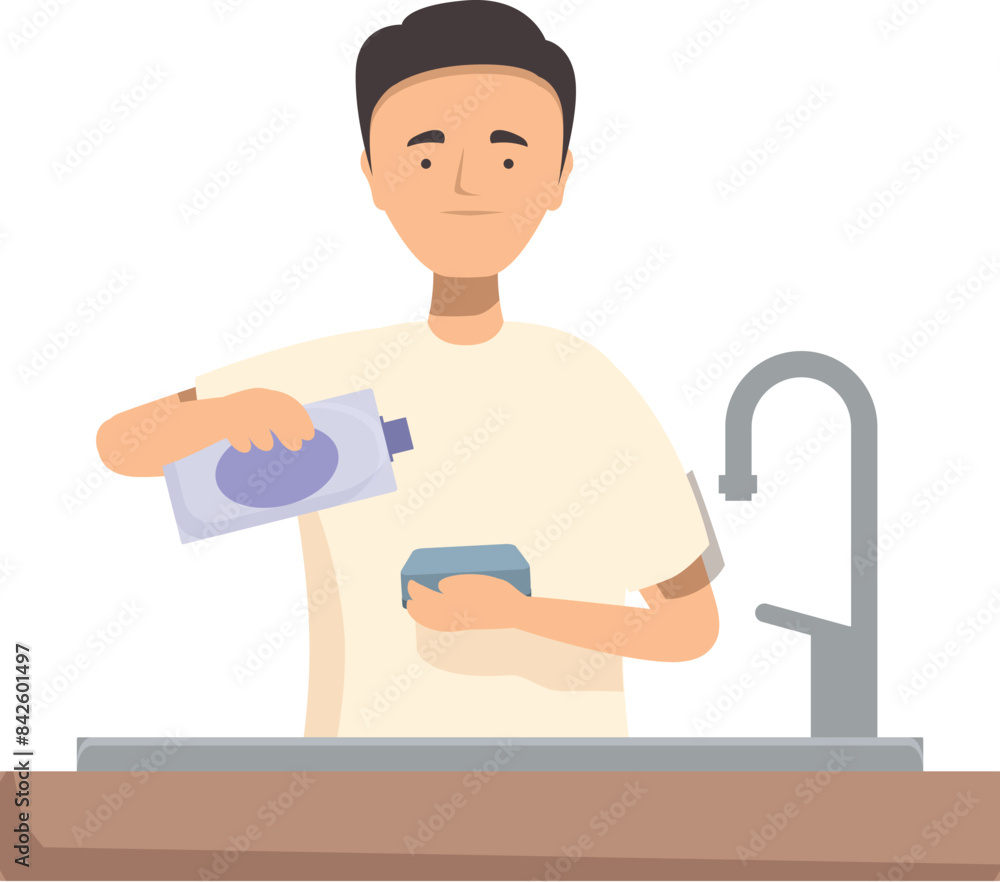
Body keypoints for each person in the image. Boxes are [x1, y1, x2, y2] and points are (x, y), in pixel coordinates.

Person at [96, 0, 719, 737]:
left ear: (557, 178)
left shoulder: (587, 385)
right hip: (360, 791)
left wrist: (522, 617)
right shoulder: (335, 376)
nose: (464, 184)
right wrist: (223, 416)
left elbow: (690, 628)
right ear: (374, 176)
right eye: (423, 155)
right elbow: (121, 446)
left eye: (508, 154)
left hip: (572, 797)